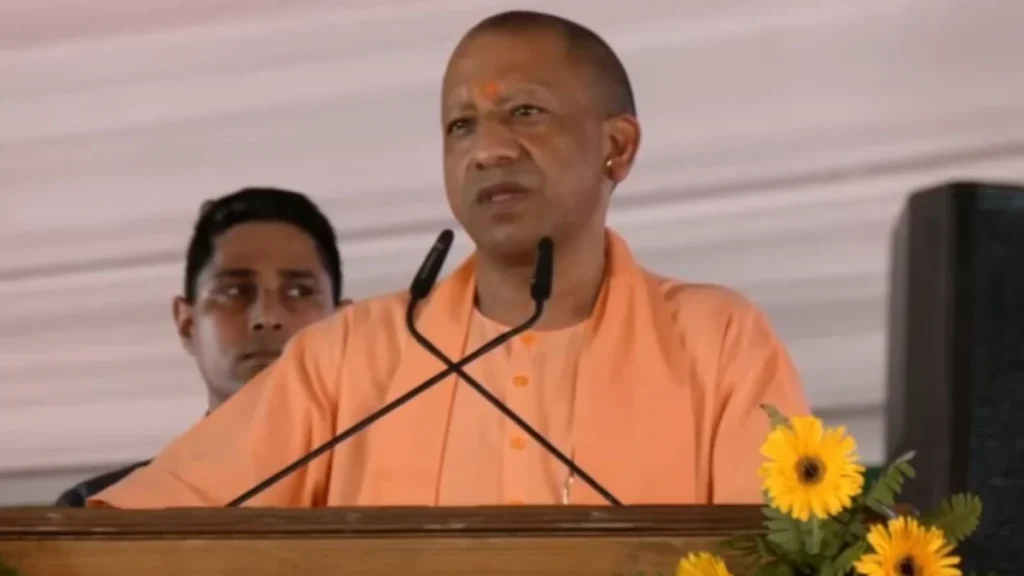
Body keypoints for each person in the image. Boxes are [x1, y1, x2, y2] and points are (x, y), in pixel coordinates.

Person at [89, 11, 809, 509]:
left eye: (523, 112)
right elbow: (138, 525)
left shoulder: (718, 343)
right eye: (461, 125)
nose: (485, 149)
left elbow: (786, 554)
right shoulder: (348, 359)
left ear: (617, 147)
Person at [56, 187, 346, 507]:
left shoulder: (379, 498)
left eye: (299, 292)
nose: (266, 317)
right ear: (187, 324)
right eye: (235, 291)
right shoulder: (102, 510)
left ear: (345, 325)